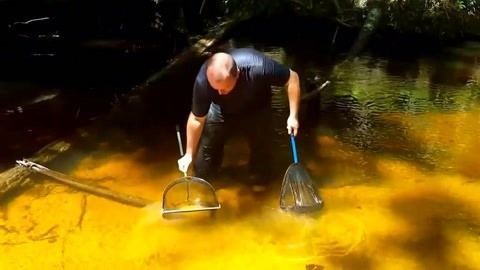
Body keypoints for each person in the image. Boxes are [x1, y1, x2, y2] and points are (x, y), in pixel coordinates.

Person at [177, 47, 301, 182]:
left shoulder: (257, 66)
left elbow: (292, 78)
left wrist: (293, 116)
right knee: (207, 150)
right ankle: (204, 185)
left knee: (261, 150)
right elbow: (196, 119)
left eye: (223, 88)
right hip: (221, 109)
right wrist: (189, 154)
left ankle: (260, 184)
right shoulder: (203, 81)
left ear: (237, 74)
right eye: (215, 88)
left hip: (257, 107)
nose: (219, 92)